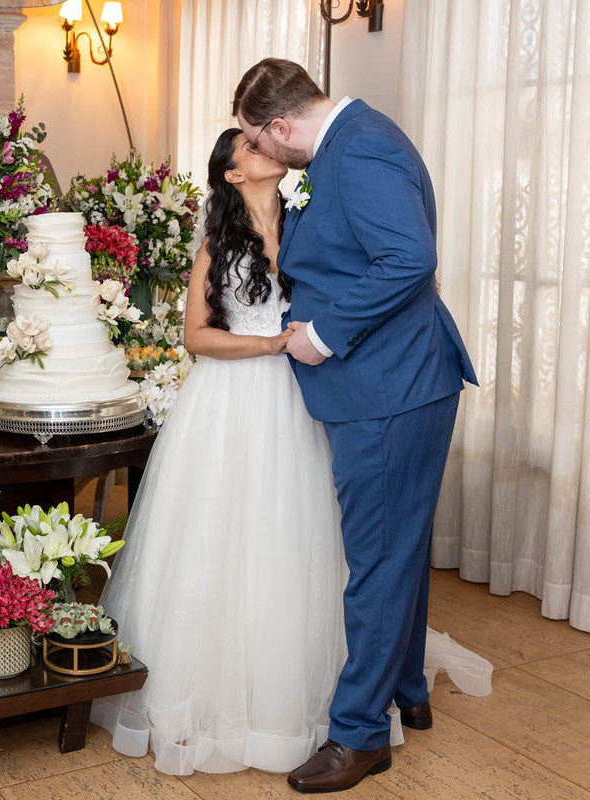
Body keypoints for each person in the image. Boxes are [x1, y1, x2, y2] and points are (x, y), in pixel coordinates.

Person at [233, 58, 479, 792]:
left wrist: (325, 333)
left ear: (280, 125)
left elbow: (410, 257)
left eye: (256, 138)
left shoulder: (362, 147)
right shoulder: (351, 142)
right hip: (394, 381)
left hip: (388, 387)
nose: (261, 153)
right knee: (398, 546)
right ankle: (408, 689)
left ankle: (360, 735)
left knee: (376, 558)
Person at [89, 128, 350, 775]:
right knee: (218, 532)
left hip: (298, 400)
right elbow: (195, 337)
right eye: (252, 150)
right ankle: (206, 698)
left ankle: (299, 698)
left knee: (292, 534)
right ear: (233, 176)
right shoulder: (217, 244)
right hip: (229, 400)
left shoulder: (308, 227)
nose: (267, 152)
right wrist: (269, 345)